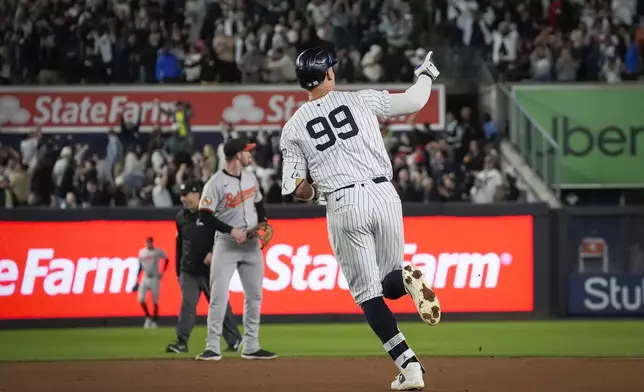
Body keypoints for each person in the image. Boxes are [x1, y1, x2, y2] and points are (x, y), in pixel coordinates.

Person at [279, 47, 442, 390]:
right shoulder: (360, 99)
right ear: (329, 75)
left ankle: (409, 367)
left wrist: (313, 193)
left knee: (369, 294)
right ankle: (408, 278)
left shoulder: (292, 128)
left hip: (343, 200)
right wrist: (426, 73)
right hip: (384, 194)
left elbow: (295, 187)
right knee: (390, 283)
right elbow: (414, 101)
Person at [195, 138, 277, 361]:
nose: (250, 154)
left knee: (255, 296)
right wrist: (231, 230)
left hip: (251, 244)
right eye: (246, 151)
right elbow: (204, 214)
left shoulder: (250, 177)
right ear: (235, 156)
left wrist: (263, 222)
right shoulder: (215, 182)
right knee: (219, 296)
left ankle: (251, 345)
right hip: (226, 244)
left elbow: (258, 203)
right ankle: (212, 346)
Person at [166, 180, 242, 354]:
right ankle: (181, 341)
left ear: (198, 195)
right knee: (188, 304)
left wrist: (214, 252)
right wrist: (178, 270)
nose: (183, 199)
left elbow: (226, 236)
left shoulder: (211, 214)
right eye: (182, 195)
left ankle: (235, 339)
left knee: (219, 305)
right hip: (189, 271)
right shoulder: (181, 217)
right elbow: (179, 244)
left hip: (210, 271)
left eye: (187, 195)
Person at [132, 237, 169, 329]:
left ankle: (155, 321)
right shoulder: (142, 252)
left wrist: (162, 272)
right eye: (147, 243)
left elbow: (166, 259)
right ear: (145, 243)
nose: (149, 244)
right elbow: (140, 266)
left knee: (155, 301)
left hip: (155, 277)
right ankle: (148, 317)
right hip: (145, 277)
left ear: (152, 243)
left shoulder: (157, 251)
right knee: (141, 299)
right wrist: (136, 278)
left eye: (150, 243)